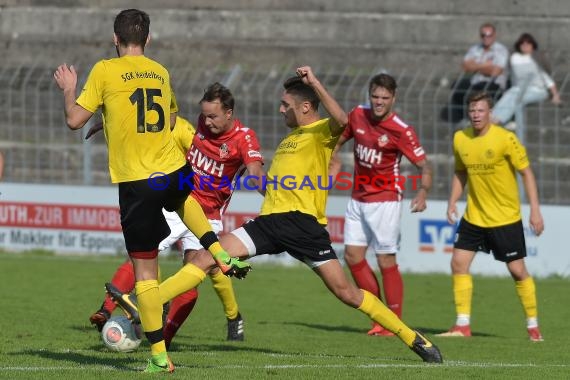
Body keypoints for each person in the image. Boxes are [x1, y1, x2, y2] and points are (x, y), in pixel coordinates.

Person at [111, 66, 443, 363]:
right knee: (205, 258)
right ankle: (144, 301)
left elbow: (344, 122)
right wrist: (253, 180)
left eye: (286, 104)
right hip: (270, 222)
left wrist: (315, 80)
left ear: (305, 107)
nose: (280, 109)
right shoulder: (289, 140)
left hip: (304, 226)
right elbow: (266, 183)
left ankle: (413, 338)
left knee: (348, 294)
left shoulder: (321, 133)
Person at [53, 9, 247, 373]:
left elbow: (72, 121)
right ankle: (218, 250)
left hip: (137, 181)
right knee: (184, 198)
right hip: (172, 168)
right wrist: (111, 121)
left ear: (115, 39)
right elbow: (169, 118)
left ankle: (159, 357)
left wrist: (68, 90)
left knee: (145, 274)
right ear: (147, 40)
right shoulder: (159, 71)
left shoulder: (104, 70)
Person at [96, 84, 265, 348]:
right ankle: (107, 308)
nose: (206, 122)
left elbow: (254, 168)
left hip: (209, 216)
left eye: (213, 117)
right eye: (204, 115)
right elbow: (151, 123)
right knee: (144, 254)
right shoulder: (194, 125)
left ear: (229, 113)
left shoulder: (244, 138)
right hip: (179, 203)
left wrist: (263, 186)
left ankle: (164, 335)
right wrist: (110, 124)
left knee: (193, 275)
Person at [329, 73, 432, 336]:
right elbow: (338, 141)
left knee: (386, 259)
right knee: (352, 257)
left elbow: (424, 165)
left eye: (384, 98)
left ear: (393, 99)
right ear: (369, 95)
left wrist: (422, 191)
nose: (378, 102)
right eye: (375, 96)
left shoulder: (401, 130)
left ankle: (392, 322)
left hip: (385, 200)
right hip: (357, 198)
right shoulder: (357, 115)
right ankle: (379, 316)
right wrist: (334, 160)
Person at [439, 91, 544, 342]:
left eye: (481, 110)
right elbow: (460, 172)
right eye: (472, 110)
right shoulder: (460, 139)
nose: (476, 115)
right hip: (474, 216)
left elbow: (527, 173)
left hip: (505, 218)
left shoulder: (506, 138)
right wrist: (452, 201)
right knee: (458, 263)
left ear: (490, 113)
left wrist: (535, 210)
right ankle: (462, 325)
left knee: (518, 270)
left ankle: (533, 325)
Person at [492, 33, 561, 143]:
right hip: (520, 88)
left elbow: (548, 79)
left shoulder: (536, 58)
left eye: (528, 43)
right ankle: (493, 117)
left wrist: (555, 95)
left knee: (518, 101)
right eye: (522, 43)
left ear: (532, 45)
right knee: (510, 94)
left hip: (538, 90)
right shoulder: (514, 58)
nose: (525, 45)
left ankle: (517, 136)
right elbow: (510, 76)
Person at [441, 23, 509, 124]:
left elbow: (495, 72)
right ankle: (463, 119)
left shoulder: (501, 50)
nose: (486, 37)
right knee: (458, 88)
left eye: (489, 35)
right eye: (483, 35)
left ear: (494, 35)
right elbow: (465, 66)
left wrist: (475, 66)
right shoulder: (475, 49)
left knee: (480, 92)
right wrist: (485, 65)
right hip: (475, 81)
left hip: (494, 83)